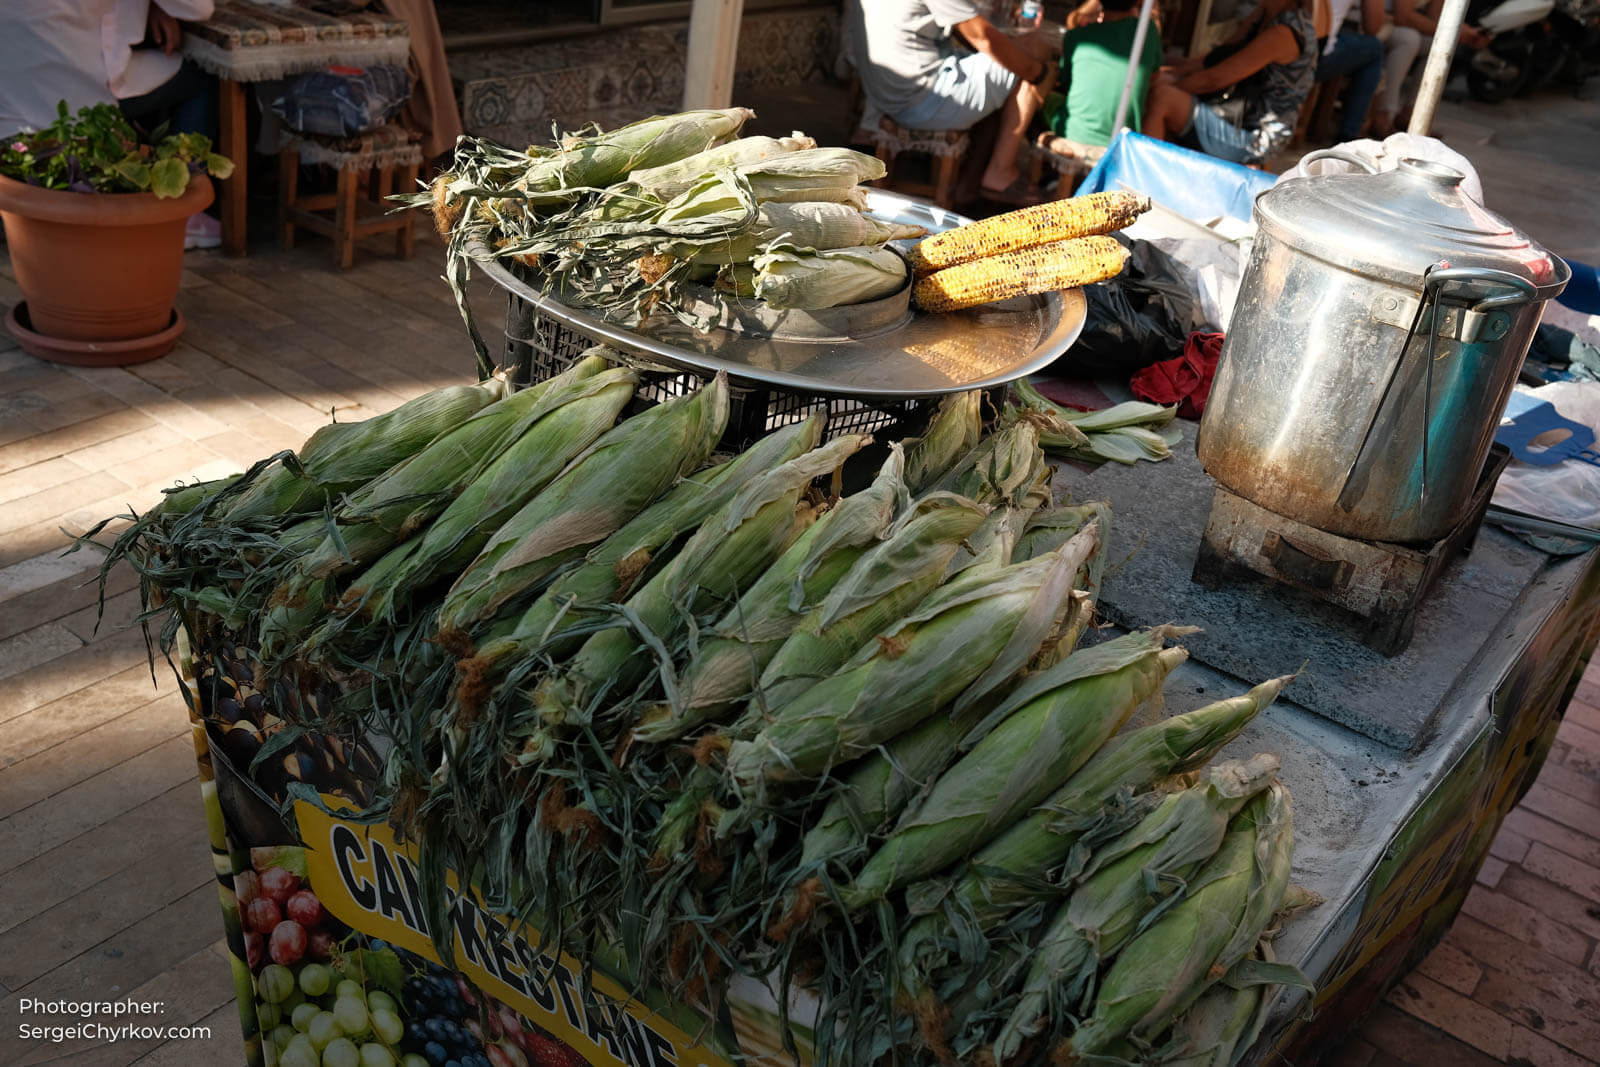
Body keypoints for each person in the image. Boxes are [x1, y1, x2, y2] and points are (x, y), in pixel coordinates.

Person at [847, 0, 1057, 202]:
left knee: (1006, 62)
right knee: (1034, 49)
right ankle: (1000, 171)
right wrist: (1039, 74)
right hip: (921, 101)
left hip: (882, 94)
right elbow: (983, 37)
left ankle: (970, 180)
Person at [1142, 0, 1318, 166]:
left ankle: (1139, 182)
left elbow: (1213, 79)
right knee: (1164, 76)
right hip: (1231, 110)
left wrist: (1163, 84)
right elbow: (1218, 57)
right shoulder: (1265, 12)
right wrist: (1172, 71)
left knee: (1162, 97)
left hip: (1254, 136)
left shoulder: (1285, 32)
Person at [1041, 0, 1165, 150]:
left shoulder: (1076, 35)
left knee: (1038, 92)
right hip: (1124, 139)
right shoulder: (1148, 31)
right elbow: (1154, 77)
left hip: (1074, 133)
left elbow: (1066, 82)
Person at [1373, 0, 1491, 137]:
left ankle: (1411, 114)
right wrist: (1455, 32)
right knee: (1409, 40)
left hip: (1394, 24)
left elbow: (1434, 15)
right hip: (1379, 21)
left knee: (1437, 45)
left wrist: (1466, 33)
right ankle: (1384, 114)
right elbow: (1403, 16)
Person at [1313, 0, 1385, 143]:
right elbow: (1373, 26)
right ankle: (1348, 134)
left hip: (1279, 43)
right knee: (1375, 48)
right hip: (1307, 60)